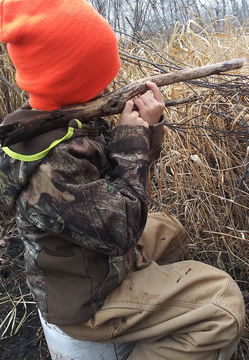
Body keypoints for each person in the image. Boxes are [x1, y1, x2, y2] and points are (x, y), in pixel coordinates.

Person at [0, 0, 245, 359]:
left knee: (170, 230)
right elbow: (121, 230)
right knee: (222, 306)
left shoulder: (61, 116)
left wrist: (148, 129)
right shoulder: (51, 163)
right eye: (100, 77)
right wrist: (131, 140)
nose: (110, 85)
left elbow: (120, 176)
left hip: (94, 259)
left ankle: (154, 305)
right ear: (73, 79)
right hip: (84, 298)